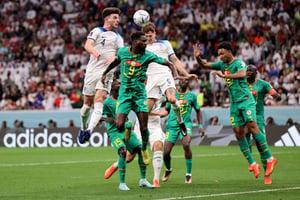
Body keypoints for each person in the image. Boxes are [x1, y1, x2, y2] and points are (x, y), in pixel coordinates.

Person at [193, 42, 277, 179]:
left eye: (222, 53)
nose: (220, 57)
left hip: (246, 100)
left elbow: (242, 74)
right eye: (218, 54)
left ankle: (270, 158)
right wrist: (197, 58)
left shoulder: (239, 63)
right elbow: (204, 65)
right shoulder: (222, 65)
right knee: (238, 132)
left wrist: (224, 76)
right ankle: (253, 164)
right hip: (234, 104)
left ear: (229, 52)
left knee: (252, 126)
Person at [101, 31, 180, 165]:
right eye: (143, 41)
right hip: (125, 94)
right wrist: (104, 73)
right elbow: (116, 61)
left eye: (146, 41)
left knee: (144, 128)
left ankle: (143, 148)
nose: (145, 43)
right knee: (119, 125)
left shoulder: (148, 55)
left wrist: (174, 71)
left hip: (139, 96)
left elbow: (168, 63)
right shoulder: (123, 52)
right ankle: (128, 128)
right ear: (134, 41)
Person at [78, 7, 124, 144]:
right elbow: (87, 45)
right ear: (107, 19)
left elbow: (121, 54)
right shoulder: (97, 31)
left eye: (118, 18)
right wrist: (94, 52)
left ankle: (89, 131)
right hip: (92, 71)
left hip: (107, 73)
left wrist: (115, 57)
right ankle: (83, 127)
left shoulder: (118, 38)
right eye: (115, 18)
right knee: (87, 104)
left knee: (99, 100)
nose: (117, 20)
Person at [102, 80, 154, 191]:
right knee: (123, 151)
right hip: (114, 133)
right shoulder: (107, 103)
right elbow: (98, 116)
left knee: (140, 149)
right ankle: (122, 183)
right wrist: (108, 119)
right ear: (112, 89)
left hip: (126, 129)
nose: (120, 84)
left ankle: (143, 180)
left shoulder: (125, 99)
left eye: (120, 84)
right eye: (117, 84)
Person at [157, 78, 205, 184]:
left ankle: (188, 174)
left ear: (188, 83)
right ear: (178, 83)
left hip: (185, 124)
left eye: (185, 80)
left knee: (186, 144)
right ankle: (168, 169)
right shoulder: (172, 95)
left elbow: (198, 111)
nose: (182, 82)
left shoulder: (192, 96)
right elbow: (167, 110)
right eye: (181, 80)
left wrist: (200, 126)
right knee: (166, 152)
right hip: (172, 126)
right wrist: (157, 115)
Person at [246, 64, 281, 184]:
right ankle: (251, 163)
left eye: (251, 70)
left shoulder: (262, 84)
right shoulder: (242, 83)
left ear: (256, 73)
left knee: (260, 146)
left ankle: (267, 175)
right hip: (245, 116)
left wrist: (276, 96)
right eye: (247, 70)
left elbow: (273, 93)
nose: (248, 72)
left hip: (258, 118)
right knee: (244, 138)